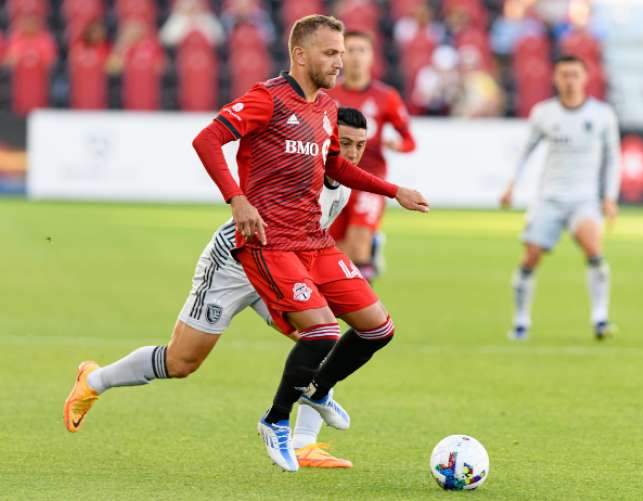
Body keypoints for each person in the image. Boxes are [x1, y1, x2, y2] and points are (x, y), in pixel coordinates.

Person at [63, 108, 371, 470]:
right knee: (181, 362)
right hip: (234, 263)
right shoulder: (299, 170)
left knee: (323, 341)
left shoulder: (344, 187)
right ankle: (94, 380)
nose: (351, 154)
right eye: (344, 143)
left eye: (359, 146)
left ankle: (304, 444)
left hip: (281, 269)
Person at [191, 15, 428, 472]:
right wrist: (237, 199)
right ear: (300, 55)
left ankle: (318, 391)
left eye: (343, 52)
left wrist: (392, 190)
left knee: (378, 328)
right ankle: (276, 421)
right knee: (321, 330)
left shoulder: (326, 107)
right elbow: (207, 139)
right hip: (269, 242)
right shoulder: (268, 98)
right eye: (331, 53)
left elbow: (336, 167)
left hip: (313, 241)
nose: (343, 61)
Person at [500, 54, 621, 341]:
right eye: (564, 75)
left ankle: (600, 319)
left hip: (584, 199)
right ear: (555, 78)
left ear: (585, 78)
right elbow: (526, 150)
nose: (569, 80)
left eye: (575, 75)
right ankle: (520, 322)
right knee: (530, 257)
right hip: (549, 199)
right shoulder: (544, 113)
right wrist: (511, 184)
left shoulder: (602, 115)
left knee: (593, 248)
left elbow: (613, 158)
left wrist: (610, 197)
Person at [327, 31, 416, 282]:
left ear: (371, 57)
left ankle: (364, 317)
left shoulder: (385, 97)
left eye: (361, 50)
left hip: (370, 180)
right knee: (339, 252)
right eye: (350, 51)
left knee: (358, 245)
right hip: (336, 179)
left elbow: (410, 141)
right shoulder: (328, 95)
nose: (356, 57)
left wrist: (398, 145)